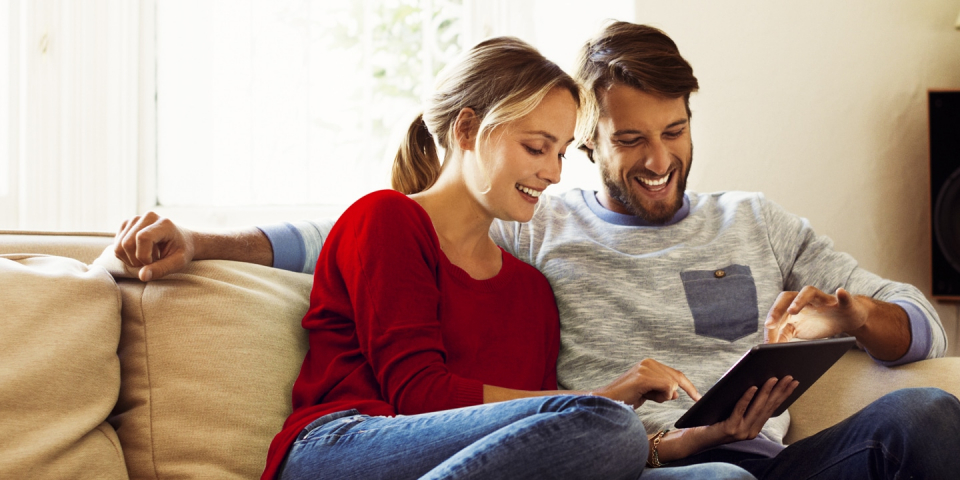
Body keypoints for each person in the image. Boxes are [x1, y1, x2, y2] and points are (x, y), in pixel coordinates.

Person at [114, 23, 960, 479]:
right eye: (629, 140)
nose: (659, 159)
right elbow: (346, 236)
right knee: (635, 447)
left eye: (675, 131)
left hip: (740, 455)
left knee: (925, 414)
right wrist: (203, 237)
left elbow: (925, 325)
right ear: (593, 141)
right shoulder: (534, 223)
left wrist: (845, 312)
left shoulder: (756, 223)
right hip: (630, 461)